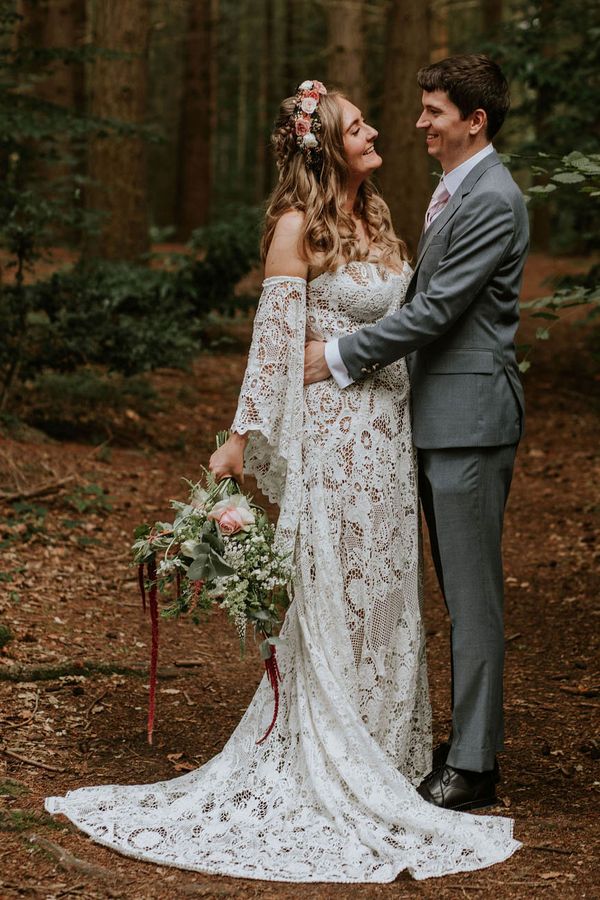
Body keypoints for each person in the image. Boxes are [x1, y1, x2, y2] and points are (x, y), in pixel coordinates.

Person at [45, 78, 520, 882]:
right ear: (326, 144)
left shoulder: (378, 217)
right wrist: (239, 438)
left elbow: (419, 318)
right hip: (334, 440)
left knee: (387, 596)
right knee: (333, 596)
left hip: (389, 439)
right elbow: (272, 347)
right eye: (359, 126)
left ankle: (385, 748)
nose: (379, 132)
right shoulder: (297, 226)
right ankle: (331, 750)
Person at [305, 55, 529, 812]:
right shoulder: (453, 190)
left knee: (472, 595)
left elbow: (434, 313)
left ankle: (474, 764)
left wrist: (336, 355)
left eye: (434, 111)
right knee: (457, 590)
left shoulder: (492, 198)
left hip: (470, 421)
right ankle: (466, 740)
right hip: (436, 418)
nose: (419, 123)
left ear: (476, 121)